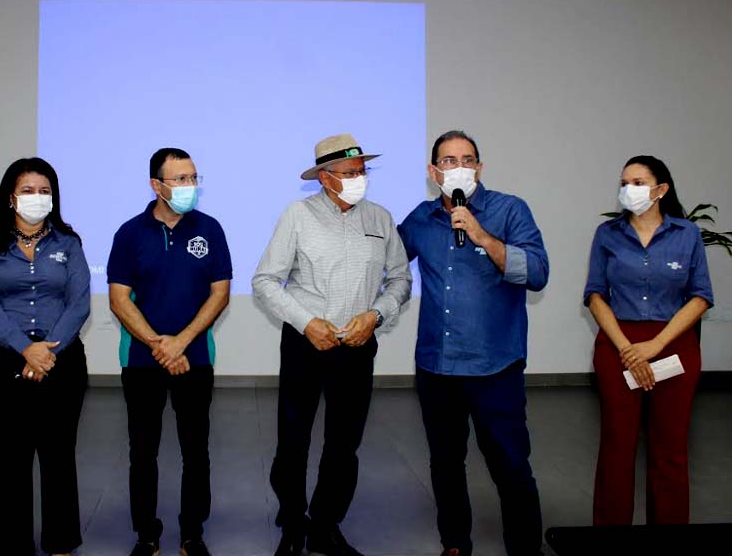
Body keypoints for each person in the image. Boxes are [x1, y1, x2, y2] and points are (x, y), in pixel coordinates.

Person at [253, 133, 412, 556]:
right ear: (324, 178)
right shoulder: (297, 216)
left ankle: (325, 525)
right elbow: (265, 281)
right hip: (307, 343)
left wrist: (375, 315)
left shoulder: (380, 219)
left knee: (344, 443)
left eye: (361, 172)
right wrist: (307, 323)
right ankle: (292, 521)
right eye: (348, 173)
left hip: (358, 344)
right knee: (294, 439)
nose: (358, 179)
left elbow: (400, 279)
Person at [397, 130, 549, 556]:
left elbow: (537, 272)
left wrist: (484, 237)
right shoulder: (421, 220)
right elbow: (384, 261)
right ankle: (455, 543)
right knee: (445, 465)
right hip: (437, 367)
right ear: (433, 172)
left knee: (511, 466)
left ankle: (524, 548)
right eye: (448, 161)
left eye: (466, 159)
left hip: (494, 367)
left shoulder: (509, 209)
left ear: (479, 168)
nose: (458, 167)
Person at [107, 148, 232, 556]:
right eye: (179, 179)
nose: (188, 187)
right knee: (142, 451)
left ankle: (192, 532)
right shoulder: (129, 233)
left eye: (193, 177)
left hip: (195, 358)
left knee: (196, 450)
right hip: (142, 360)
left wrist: (181, 342)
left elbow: (220, 293)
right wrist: (160, 345)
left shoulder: (210, 229)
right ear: (156, 185)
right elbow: (119, 299)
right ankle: (147, 533)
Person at [0, 157, 90, 556]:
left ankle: (60, 543)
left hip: (62, 359)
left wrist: (47, 351)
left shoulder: (68, 243)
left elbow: (79, 303)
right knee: (13, 458)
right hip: (6, 361)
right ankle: (15, 545)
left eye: (44, 191)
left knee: (58, 456)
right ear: (10, 197)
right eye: (28, 190)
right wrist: (26, 348)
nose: (37, 198)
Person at [583, 155, 712, 525]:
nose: (629, 190)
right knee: (617, 445)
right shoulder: (607, 235)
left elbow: (700, 296)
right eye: (625, 182)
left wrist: (654, 347)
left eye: (638, 183)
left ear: (661, 190)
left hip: (674, 344)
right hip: (617, 344)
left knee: (670, 448)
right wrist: (627, 348)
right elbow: (595, 295)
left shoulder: (686, 234)